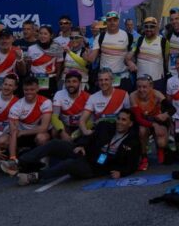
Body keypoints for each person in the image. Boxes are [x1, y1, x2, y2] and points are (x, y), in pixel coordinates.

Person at [11, 108, 142, 186]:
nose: (119, 122)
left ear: (130, 124)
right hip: (86, 153)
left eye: (124, 120)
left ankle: (34, 177)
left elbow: (133, 164)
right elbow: (89, 136)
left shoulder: (133, 141)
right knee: (55, 143)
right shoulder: (106, 126)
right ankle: (18, 163)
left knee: (69, 164)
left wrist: (121, 173)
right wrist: (81, 145)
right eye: (118, 118)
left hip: (96, 167)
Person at [2, 76, 52, 166]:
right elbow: (13, 132)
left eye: (32, 89)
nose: (29, 92)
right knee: (2, 141)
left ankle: (43, 159)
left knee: (42, 138)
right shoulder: (16, 106)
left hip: (34, 133)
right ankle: (14, 159)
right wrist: (12, 157)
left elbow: (44, 128)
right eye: (26, 90)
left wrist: (23, 132)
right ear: (23, 89)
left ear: (38, 89)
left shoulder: (46, 102)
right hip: (20, 134)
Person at [130, 75, 169, 170]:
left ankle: (160, 149)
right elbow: (138, 119)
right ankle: (144, 156)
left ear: (151, 86)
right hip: (144, 121)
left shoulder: (157, 94)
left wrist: (165, 115)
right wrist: (153, 125)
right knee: (142, 131)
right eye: (139, 87)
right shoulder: (133, 96)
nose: (141, 90)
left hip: (156, 119)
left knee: (162, 142)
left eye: (144, 87)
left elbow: (172, 109)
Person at [77, 69, 130, 136]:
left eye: (106, 80)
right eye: (100, 80)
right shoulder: (93, 97)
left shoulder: (123, 94)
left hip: (117, 129)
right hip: (99, 130)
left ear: (112, 80)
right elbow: (82, 119)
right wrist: (85, 131)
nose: (103, 82)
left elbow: (129, 117)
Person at [127, 16, 169, 93]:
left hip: (158, 81)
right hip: (141, 82)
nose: (149, 29)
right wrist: (130, 63)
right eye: (146, 26)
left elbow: (166, 62)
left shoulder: (164, 42)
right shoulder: (138, 40)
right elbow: (127, 57)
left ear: (157, 28)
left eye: (152, 26)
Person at [25, 24, 62, 96]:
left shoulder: (57, 48)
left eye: (45, 34)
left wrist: (55, 79)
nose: (42, 36)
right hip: (34, 80)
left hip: (50, 81)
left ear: (51, 35)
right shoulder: (31, 48)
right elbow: (28, 67)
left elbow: (59, 67)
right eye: (41, 33)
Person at [51, 70, 88, 140]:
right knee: (54, 131)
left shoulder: (87, 97)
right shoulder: (59, 94)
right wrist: (62, 132)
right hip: (65, 126)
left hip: (81, 127)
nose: (71, 84)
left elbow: (90, 121)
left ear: (80, 83)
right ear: (65, 83)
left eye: (74, 81)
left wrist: (75, 135)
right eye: (68, 81)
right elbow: (54, 117)